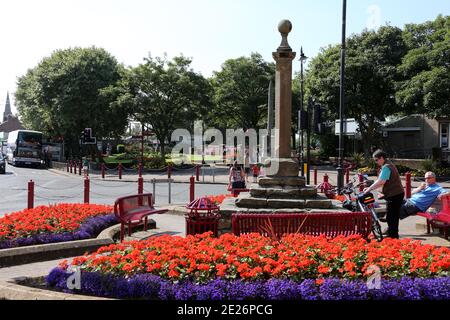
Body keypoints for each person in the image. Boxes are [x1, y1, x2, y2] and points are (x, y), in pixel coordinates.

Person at [363, 150, 404, 239]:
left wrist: (369, 189)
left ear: (382, 158)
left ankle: (393, 237)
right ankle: (392, 234)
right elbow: (381, 180)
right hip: (396, 193)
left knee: (392, 217)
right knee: (391, 216)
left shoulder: (386, 167)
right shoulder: (388, 165)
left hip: (395, 194)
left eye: (376, 160)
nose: (376, 162)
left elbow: (381, 181)